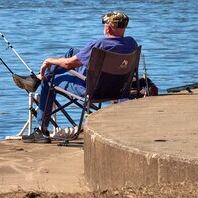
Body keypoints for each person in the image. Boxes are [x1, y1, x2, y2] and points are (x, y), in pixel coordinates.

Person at [23, 11, 138, 143]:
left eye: (104, 23)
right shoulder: (131, 43)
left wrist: (49, 61)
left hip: (91, 90)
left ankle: (41, 130)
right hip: (117, 89)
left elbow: (68, 64)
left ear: (108, 27)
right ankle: (38, 77)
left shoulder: (99, 44)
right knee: (73, 52)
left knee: (49, 80)